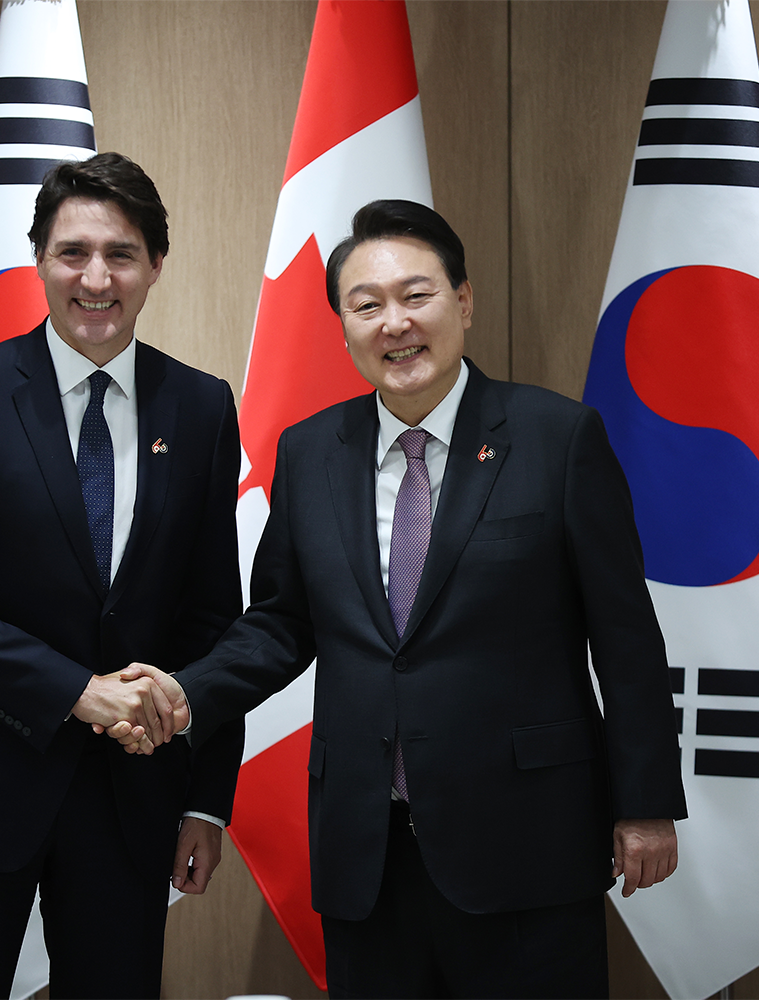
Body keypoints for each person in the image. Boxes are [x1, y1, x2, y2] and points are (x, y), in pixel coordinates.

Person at [116, 200, 687, 999]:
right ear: (342, 325)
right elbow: (281, 623)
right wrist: (185, 691)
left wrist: (646, 805)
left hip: (525, 842)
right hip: (367, 850)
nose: (395, 323)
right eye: (366, 304)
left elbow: (626, 639)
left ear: (464, 301)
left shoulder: (558, 439)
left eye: (415, 295)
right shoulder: (312, 451)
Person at [0, 153, 244, 1000]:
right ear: (39, 259)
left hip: (131, 803)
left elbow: (212, 621)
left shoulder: (200, 407)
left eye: (120, 254)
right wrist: (76, 691)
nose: (95, 278)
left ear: (156, 265)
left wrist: (206, 800)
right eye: (72, 252)